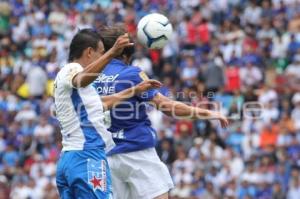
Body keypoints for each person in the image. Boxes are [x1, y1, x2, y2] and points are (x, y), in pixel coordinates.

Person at [93, 25, 228, 199]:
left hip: (106, 157)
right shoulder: (131, 74)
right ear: (127, 50)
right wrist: (209, 113)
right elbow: (167, 106)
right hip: (137, 153)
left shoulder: (90, 77)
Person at [54, 28, 162, 199]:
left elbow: (102, 103)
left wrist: (135, 90)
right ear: (89, 52)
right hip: (88, 156)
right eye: (101, 53)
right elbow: (81, 79)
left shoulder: (75, 86)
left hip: (69, 158)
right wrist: (113, 52)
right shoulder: (73, 69)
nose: (105, 61)